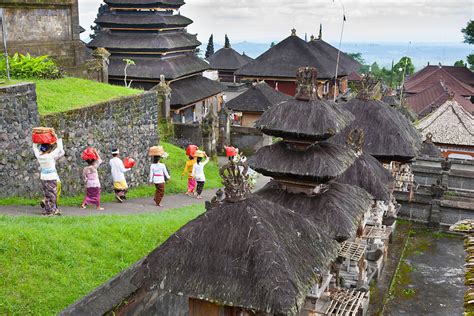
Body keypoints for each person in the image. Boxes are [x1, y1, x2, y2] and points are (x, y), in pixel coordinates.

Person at [32, 139, 65, 216]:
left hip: (43, 178)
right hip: (51, 178)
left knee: (47, 195)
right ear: (49, 149)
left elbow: (34, 148)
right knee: (52, 195)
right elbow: (59, 149)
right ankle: (50, 211)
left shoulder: (39, 156)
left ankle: (51, 210)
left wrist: (35, 141)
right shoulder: (50, 156)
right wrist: (58, 139)